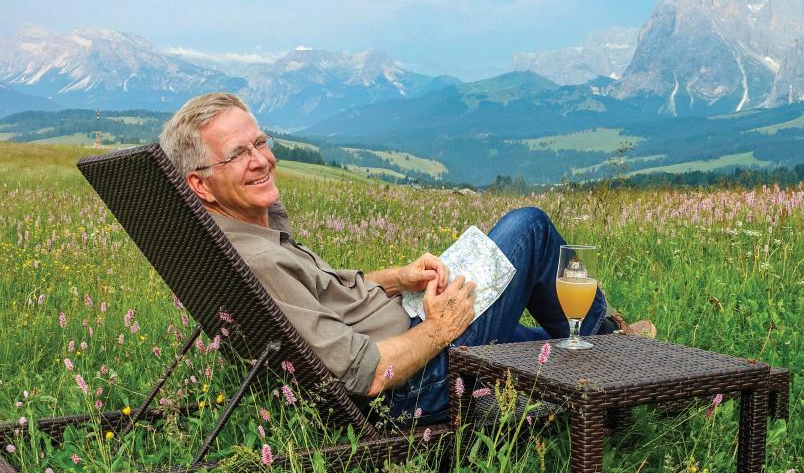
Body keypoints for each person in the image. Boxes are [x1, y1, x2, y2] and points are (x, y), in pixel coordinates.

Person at [159, 93, 651, 422]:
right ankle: (613, 348)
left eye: (260, 143)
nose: (262, 160)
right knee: (529, 227)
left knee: (537, 346)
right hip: (416, 386)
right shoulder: (258, 262)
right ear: (200, 184)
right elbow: (366, 373)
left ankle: (606, 354)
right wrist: (439, 329)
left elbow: (321, 299)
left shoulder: (240, 230)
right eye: (238, 155)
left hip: (410, 327)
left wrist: (398, 278)